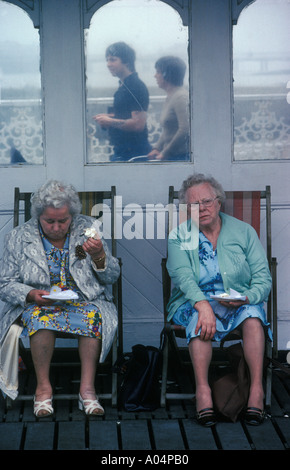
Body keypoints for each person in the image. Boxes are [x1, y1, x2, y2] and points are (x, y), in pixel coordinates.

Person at [0, 180, 120, 417]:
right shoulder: (18, 237)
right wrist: (30, 294)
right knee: (40, 319)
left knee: (93, 316)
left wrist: (99, 256)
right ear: (38, 216)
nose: (56, 227)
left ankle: (87, 390)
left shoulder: (88, 230)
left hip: (84, 299)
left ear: (72, 216)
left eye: (62, 221)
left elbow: (112, 277)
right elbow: (4, 283)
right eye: (49, 221)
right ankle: (43, 389)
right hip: (38, 303)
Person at [166, 174, 272, 426]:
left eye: (206, 201)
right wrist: (202, 305)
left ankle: (256, 388)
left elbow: (263, 278)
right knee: (198, 320)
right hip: (193, 302)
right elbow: (182, 276)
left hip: (238, 302)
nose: (201, 208)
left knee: (253, 317)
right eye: (193, 204)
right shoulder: (180, 235)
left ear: (219, 202)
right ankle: (203, 391)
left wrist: (248, 297)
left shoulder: (244, 231)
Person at [93, 42, 151, 161]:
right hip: (123, 151)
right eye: (107, 60)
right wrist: (108, 117)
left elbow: (138, 124)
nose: (108, 64)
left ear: (126, 61)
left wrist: (110, 121)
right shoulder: (125, 85)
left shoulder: (135, 86)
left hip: (133, 153)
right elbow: (127, 115)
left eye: (113, 60)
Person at [147, 56, 190, 161]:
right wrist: (157, 148)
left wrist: (166, 152)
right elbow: (168, 130)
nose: (155, 75)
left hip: (180, 157)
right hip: (171, 156)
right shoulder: (171, 96)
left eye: (158, 72)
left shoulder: (181, 97)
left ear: (167, 75)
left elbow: (185, 130)